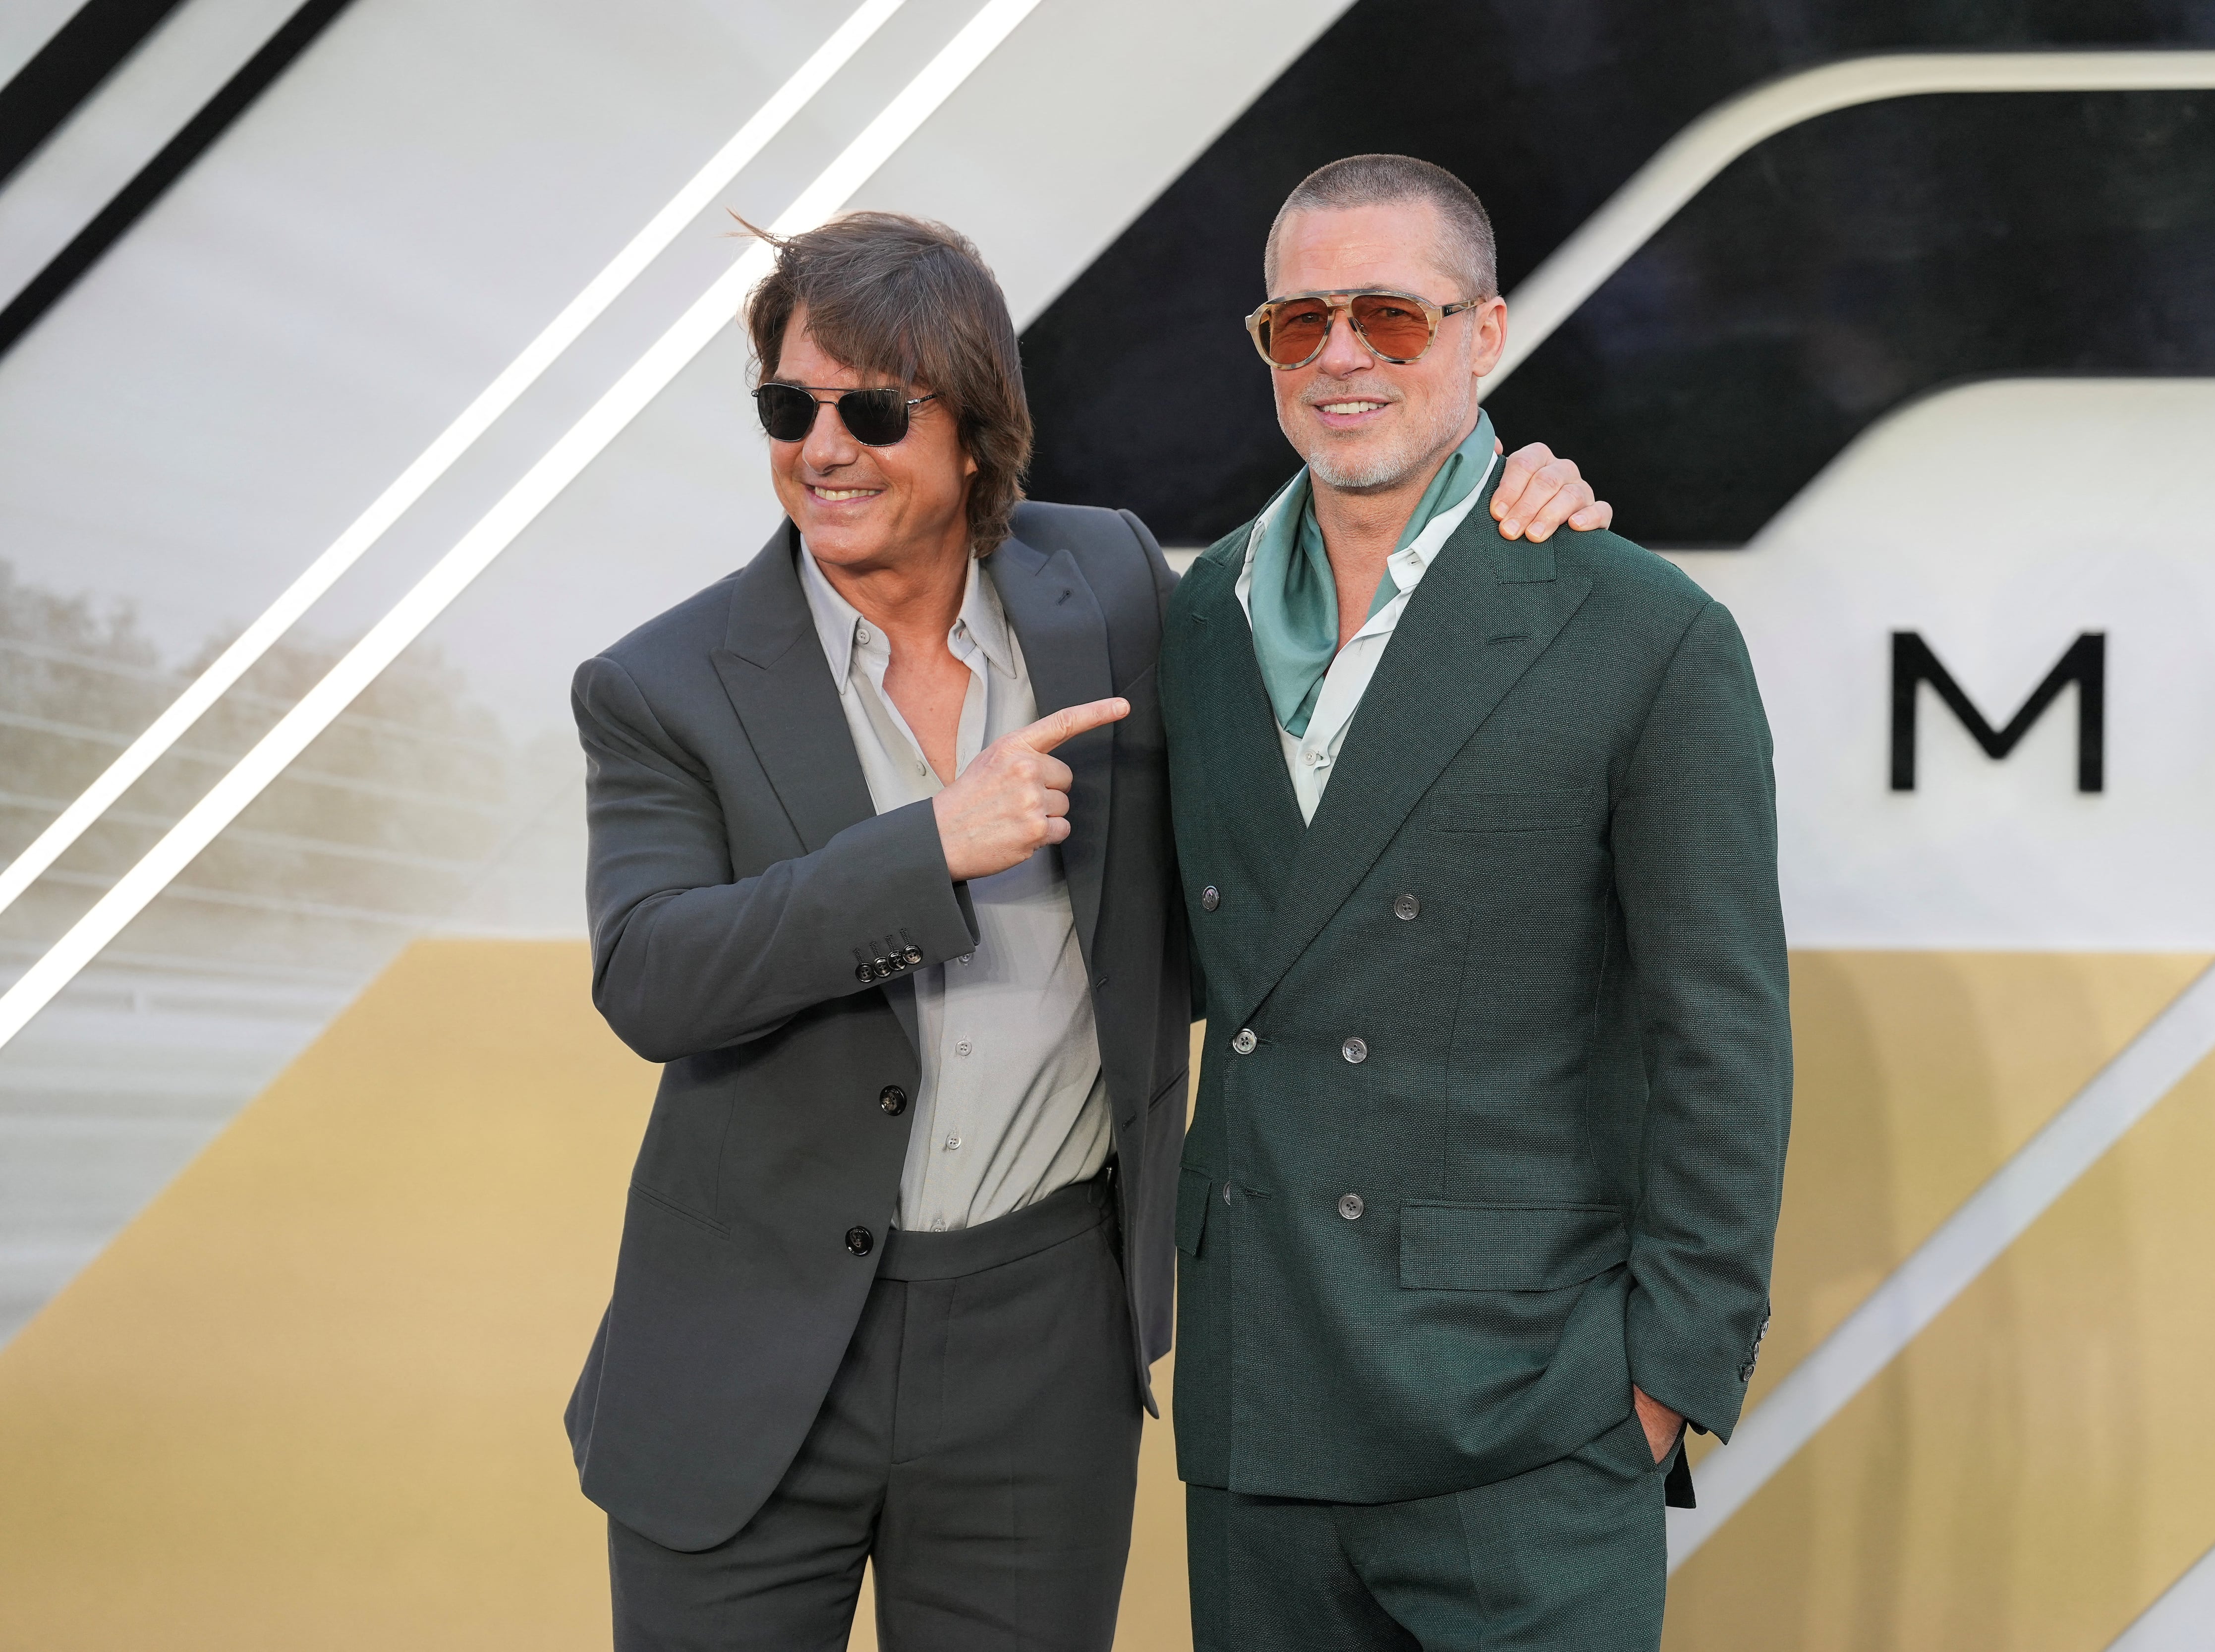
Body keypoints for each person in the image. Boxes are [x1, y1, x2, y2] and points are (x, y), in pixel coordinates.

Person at [563, 210, 1612, 1650]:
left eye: (873, 408)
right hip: (744, 1358)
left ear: (978, 431)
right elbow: (651, 977)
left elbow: (1337, 627)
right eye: (787, 407)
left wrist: (1507, 498)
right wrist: (933, 845)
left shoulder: (1111, 586)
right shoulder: (661, 684)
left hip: (1039, 1346)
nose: (823, 447)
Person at [1160, 155, 1795, 1650]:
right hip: (1261, 1395)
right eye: (1297, 324)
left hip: (1529, 1411)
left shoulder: (1637, 625)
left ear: (1484, 334)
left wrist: (1662, 1388)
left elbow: (1724, 1034)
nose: (1342, 358)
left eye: (1390, 316)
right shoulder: (1204, 614)